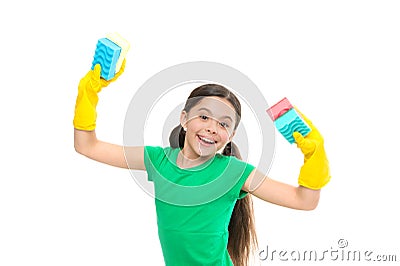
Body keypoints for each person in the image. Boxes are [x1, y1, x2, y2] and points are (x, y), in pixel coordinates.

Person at [73, 62, 330, 266]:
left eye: (223, 124)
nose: (211, 128)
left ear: (230, 135)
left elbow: (305, 200)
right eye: (204, 116)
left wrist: (314, 155)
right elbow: (87, 146)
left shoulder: (234, 172)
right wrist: (88, 94)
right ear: (184, 118)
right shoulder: (158, 160)